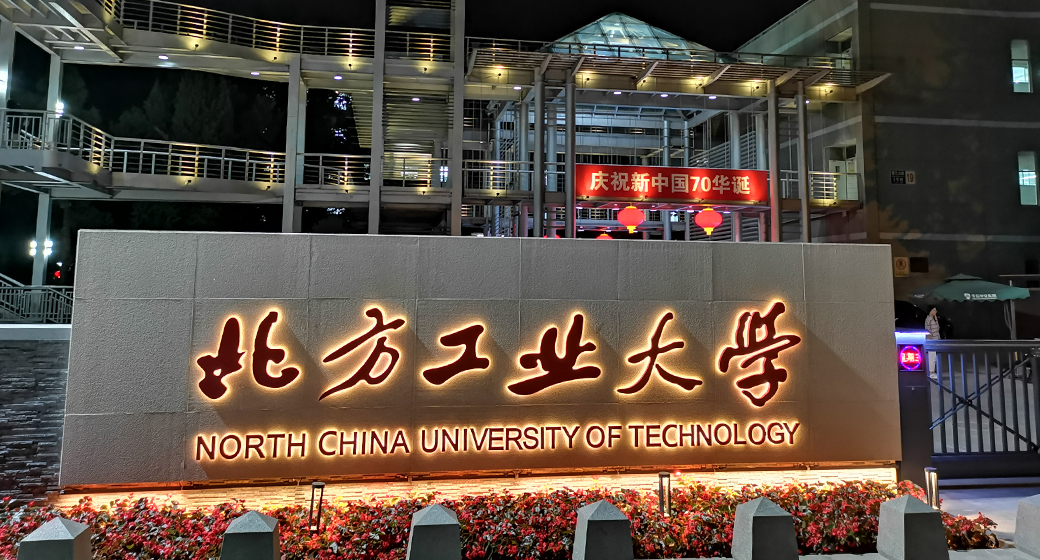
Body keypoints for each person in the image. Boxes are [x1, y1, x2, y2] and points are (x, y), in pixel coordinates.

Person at [925, 307, 940, 378]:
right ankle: (931, 372)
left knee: (934, 357)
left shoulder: (933, 319)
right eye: (934, 310)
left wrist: (936, 318)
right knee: (932, 356)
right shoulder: (928, 319)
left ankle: (932, 371)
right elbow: (928, 330)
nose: (935, 311)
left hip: (936, 340)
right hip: (932, 340)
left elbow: (938, 328)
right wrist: (931, 340)